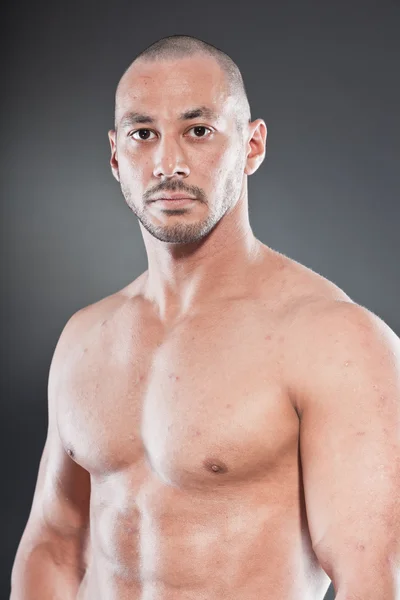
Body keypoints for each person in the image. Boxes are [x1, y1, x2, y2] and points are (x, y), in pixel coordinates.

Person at [10, 34, 400, 600]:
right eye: (145, 134)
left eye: (199, 130)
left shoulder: (334, 338)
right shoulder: (84, 338)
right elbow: (53, 542)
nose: (168, 162)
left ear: (252, 146)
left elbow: (371, 576)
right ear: (117, 155)